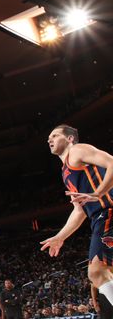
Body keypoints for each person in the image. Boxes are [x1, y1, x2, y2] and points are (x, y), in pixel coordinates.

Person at [41, 125, 113, 309]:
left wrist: (98, 193)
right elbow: (79, 211)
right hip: (99, 218)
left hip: (108, 211)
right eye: (49, 137)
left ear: (70, 138)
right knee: (104, 273)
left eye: (55, 135)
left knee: (97, 271)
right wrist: (60, 237)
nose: (50, 139)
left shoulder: (77, 151)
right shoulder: (66, 172)